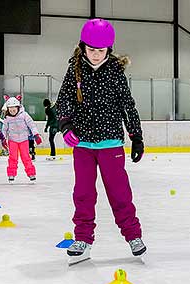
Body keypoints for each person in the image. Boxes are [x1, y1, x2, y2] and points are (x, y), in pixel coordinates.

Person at [56, 18, 146, 263]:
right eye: (92, 50)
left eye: (101, 50)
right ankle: (83, 239)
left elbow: (128, 106)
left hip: (110, 144)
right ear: (83, 46)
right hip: (83, 145)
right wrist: (65, 126)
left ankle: (133, 235)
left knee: (119, 192)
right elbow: (63, 102)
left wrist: (136, 136)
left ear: (109, 49)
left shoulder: (116, 72)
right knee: (83, 193)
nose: (96, 55)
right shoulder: (75, 70)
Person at [2, 95, 42, 183]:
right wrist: (3, 139)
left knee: (26, 157)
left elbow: (31, 124)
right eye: (10, 109)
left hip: (24, 140)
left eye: (14, 109)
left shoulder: (24, 115)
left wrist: (36, 135)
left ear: (18, 107)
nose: (12, 111)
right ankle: (11, 174)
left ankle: (31, 174)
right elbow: (4, 129)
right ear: (8, 109)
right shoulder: (7, 118)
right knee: (13, 158)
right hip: (12, 140)